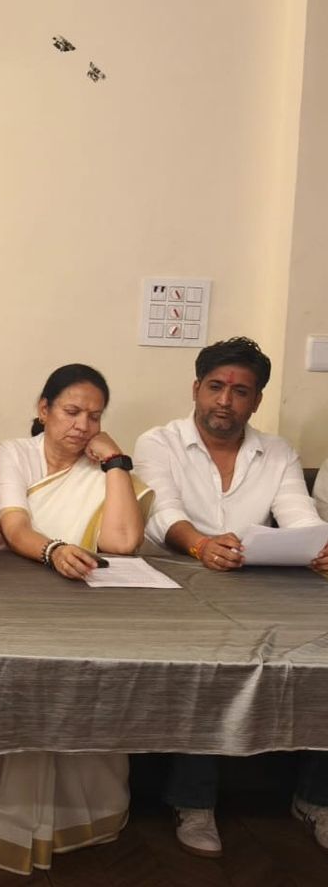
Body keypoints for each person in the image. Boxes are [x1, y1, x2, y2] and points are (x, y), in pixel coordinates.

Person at [133, 336, 328, 858]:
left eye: (240, 391)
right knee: (208, 661)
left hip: (254, 586)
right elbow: (161, 512)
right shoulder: (158, 442)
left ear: (256, 400)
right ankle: (193, 801)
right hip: (175, 582)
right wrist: (199, 544)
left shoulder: (278, 451)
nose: (225, 400)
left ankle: (316, 798)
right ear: (196, 388)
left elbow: (298, 513)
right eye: (216, 387)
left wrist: (316, 546)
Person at [0, 363, 152, 874]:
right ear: (44, 409)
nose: (82, 425)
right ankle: (14, 823)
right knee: (28, 708)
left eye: (94, 417)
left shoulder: (100, 470)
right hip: (20, 601)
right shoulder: (15, 452)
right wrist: (53, 551)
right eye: (72, 411)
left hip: (89, 609)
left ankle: (85, 821)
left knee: (90, 703)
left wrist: (115, 463)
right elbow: (13, 526)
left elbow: (121, 542)